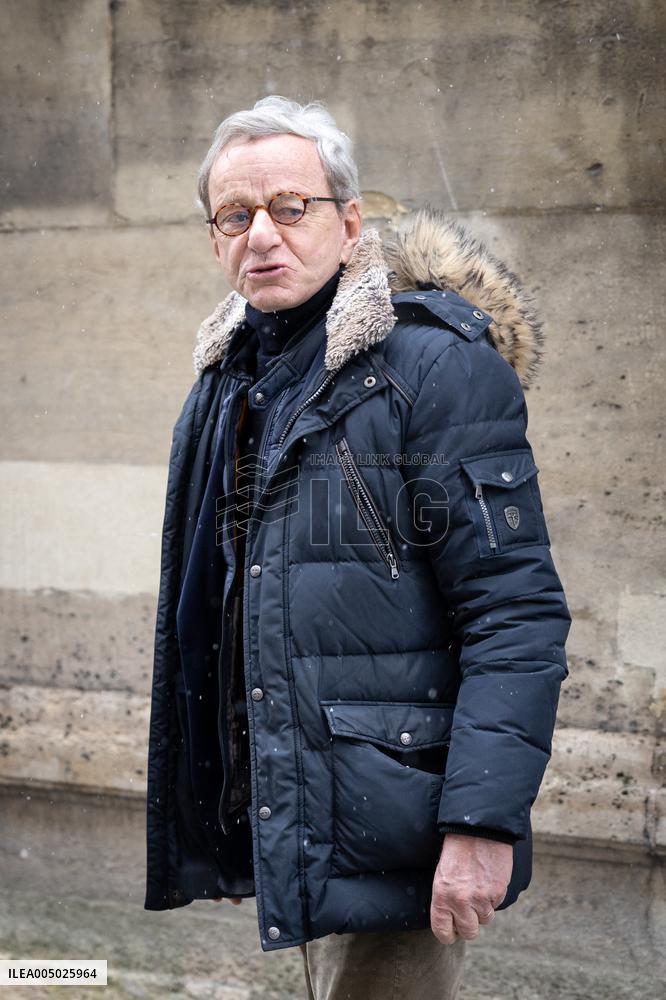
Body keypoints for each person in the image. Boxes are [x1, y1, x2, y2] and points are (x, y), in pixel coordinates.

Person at [144, 96, 572, 1000]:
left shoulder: (437, 369)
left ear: (348, 222)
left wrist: (481, 826)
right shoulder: (223, 384)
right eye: (235, 215)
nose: (262, 234)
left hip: (404, 826)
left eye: (290, 207)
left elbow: (515, 613)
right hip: (286, 813)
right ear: (213, 238)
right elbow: (210, 616)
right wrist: (221, 814)